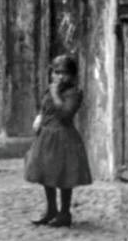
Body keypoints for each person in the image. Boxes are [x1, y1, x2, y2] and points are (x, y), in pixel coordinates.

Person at [24, 55, 92, 227]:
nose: (60, 77)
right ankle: (51, 209)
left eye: (65, 73)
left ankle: (65, 212)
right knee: (47, 174)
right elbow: (45, 105)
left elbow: (65, 115)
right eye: (56, 72)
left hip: (63, 138)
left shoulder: (74, 93)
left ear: (73, 76)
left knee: (63, 176)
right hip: (46, 136)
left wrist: (55, 94)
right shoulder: (50, 89)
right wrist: (39, 116)